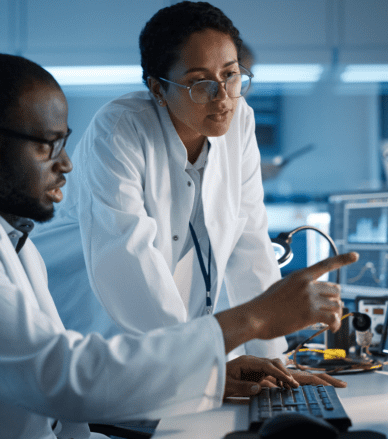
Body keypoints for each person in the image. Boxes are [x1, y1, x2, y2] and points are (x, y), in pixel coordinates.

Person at [0, 53, 358, 439]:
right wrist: (254, 320)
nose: (67, 165)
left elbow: (66, 380)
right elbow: (62, 378)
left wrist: (208, 372)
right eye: (47, 146)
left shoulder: (6, 236)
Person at [32, 1, 312, 368]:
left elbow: (251, 246)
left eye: (230, 75)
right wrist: (201, 363)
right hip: (93, 319)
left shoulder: (239, 119)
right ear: (157, 89)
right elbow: (128, 263)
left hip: (170, 338)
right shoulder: (119, 131)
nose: (223, 97)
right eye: (199, 82)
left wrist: (278, 365)